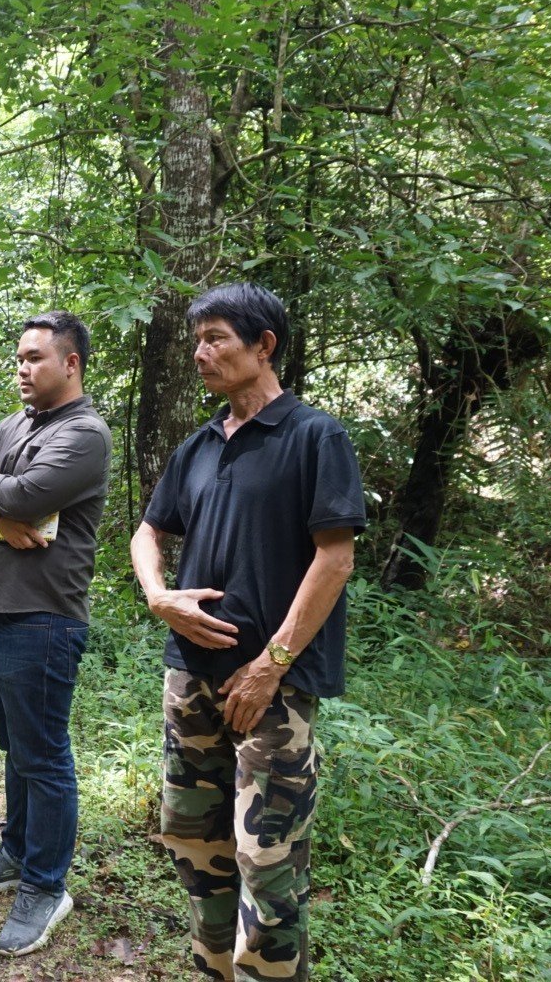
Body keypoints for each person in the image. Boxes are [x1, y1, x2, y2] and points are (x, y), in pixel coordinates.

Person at [129, 283, 364, 982]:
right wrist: (158, 596)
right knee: (194, 842)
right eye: (196, 340)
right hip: (190, 675)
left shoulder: (314, 436)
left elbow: (336, 555)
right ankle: (213, 969)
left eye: (217, 339)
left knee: (268, 860)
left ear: (265, 346)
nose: (201, 353)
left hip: (274, 690)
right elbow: (149, 531)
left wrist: (271, 664)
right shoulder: (198, 446)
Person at [0, 311, 112, 956]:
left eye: (35, 358)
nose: (22, 368)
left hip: (44, 614)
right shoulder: (14, 424)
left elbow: (15, 495)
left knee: (42, 752)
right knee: (11, 739)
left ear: (70, 364)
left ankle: (47, 885)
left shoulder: (86, 433)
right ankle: (17, 853)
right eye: (19, 358)